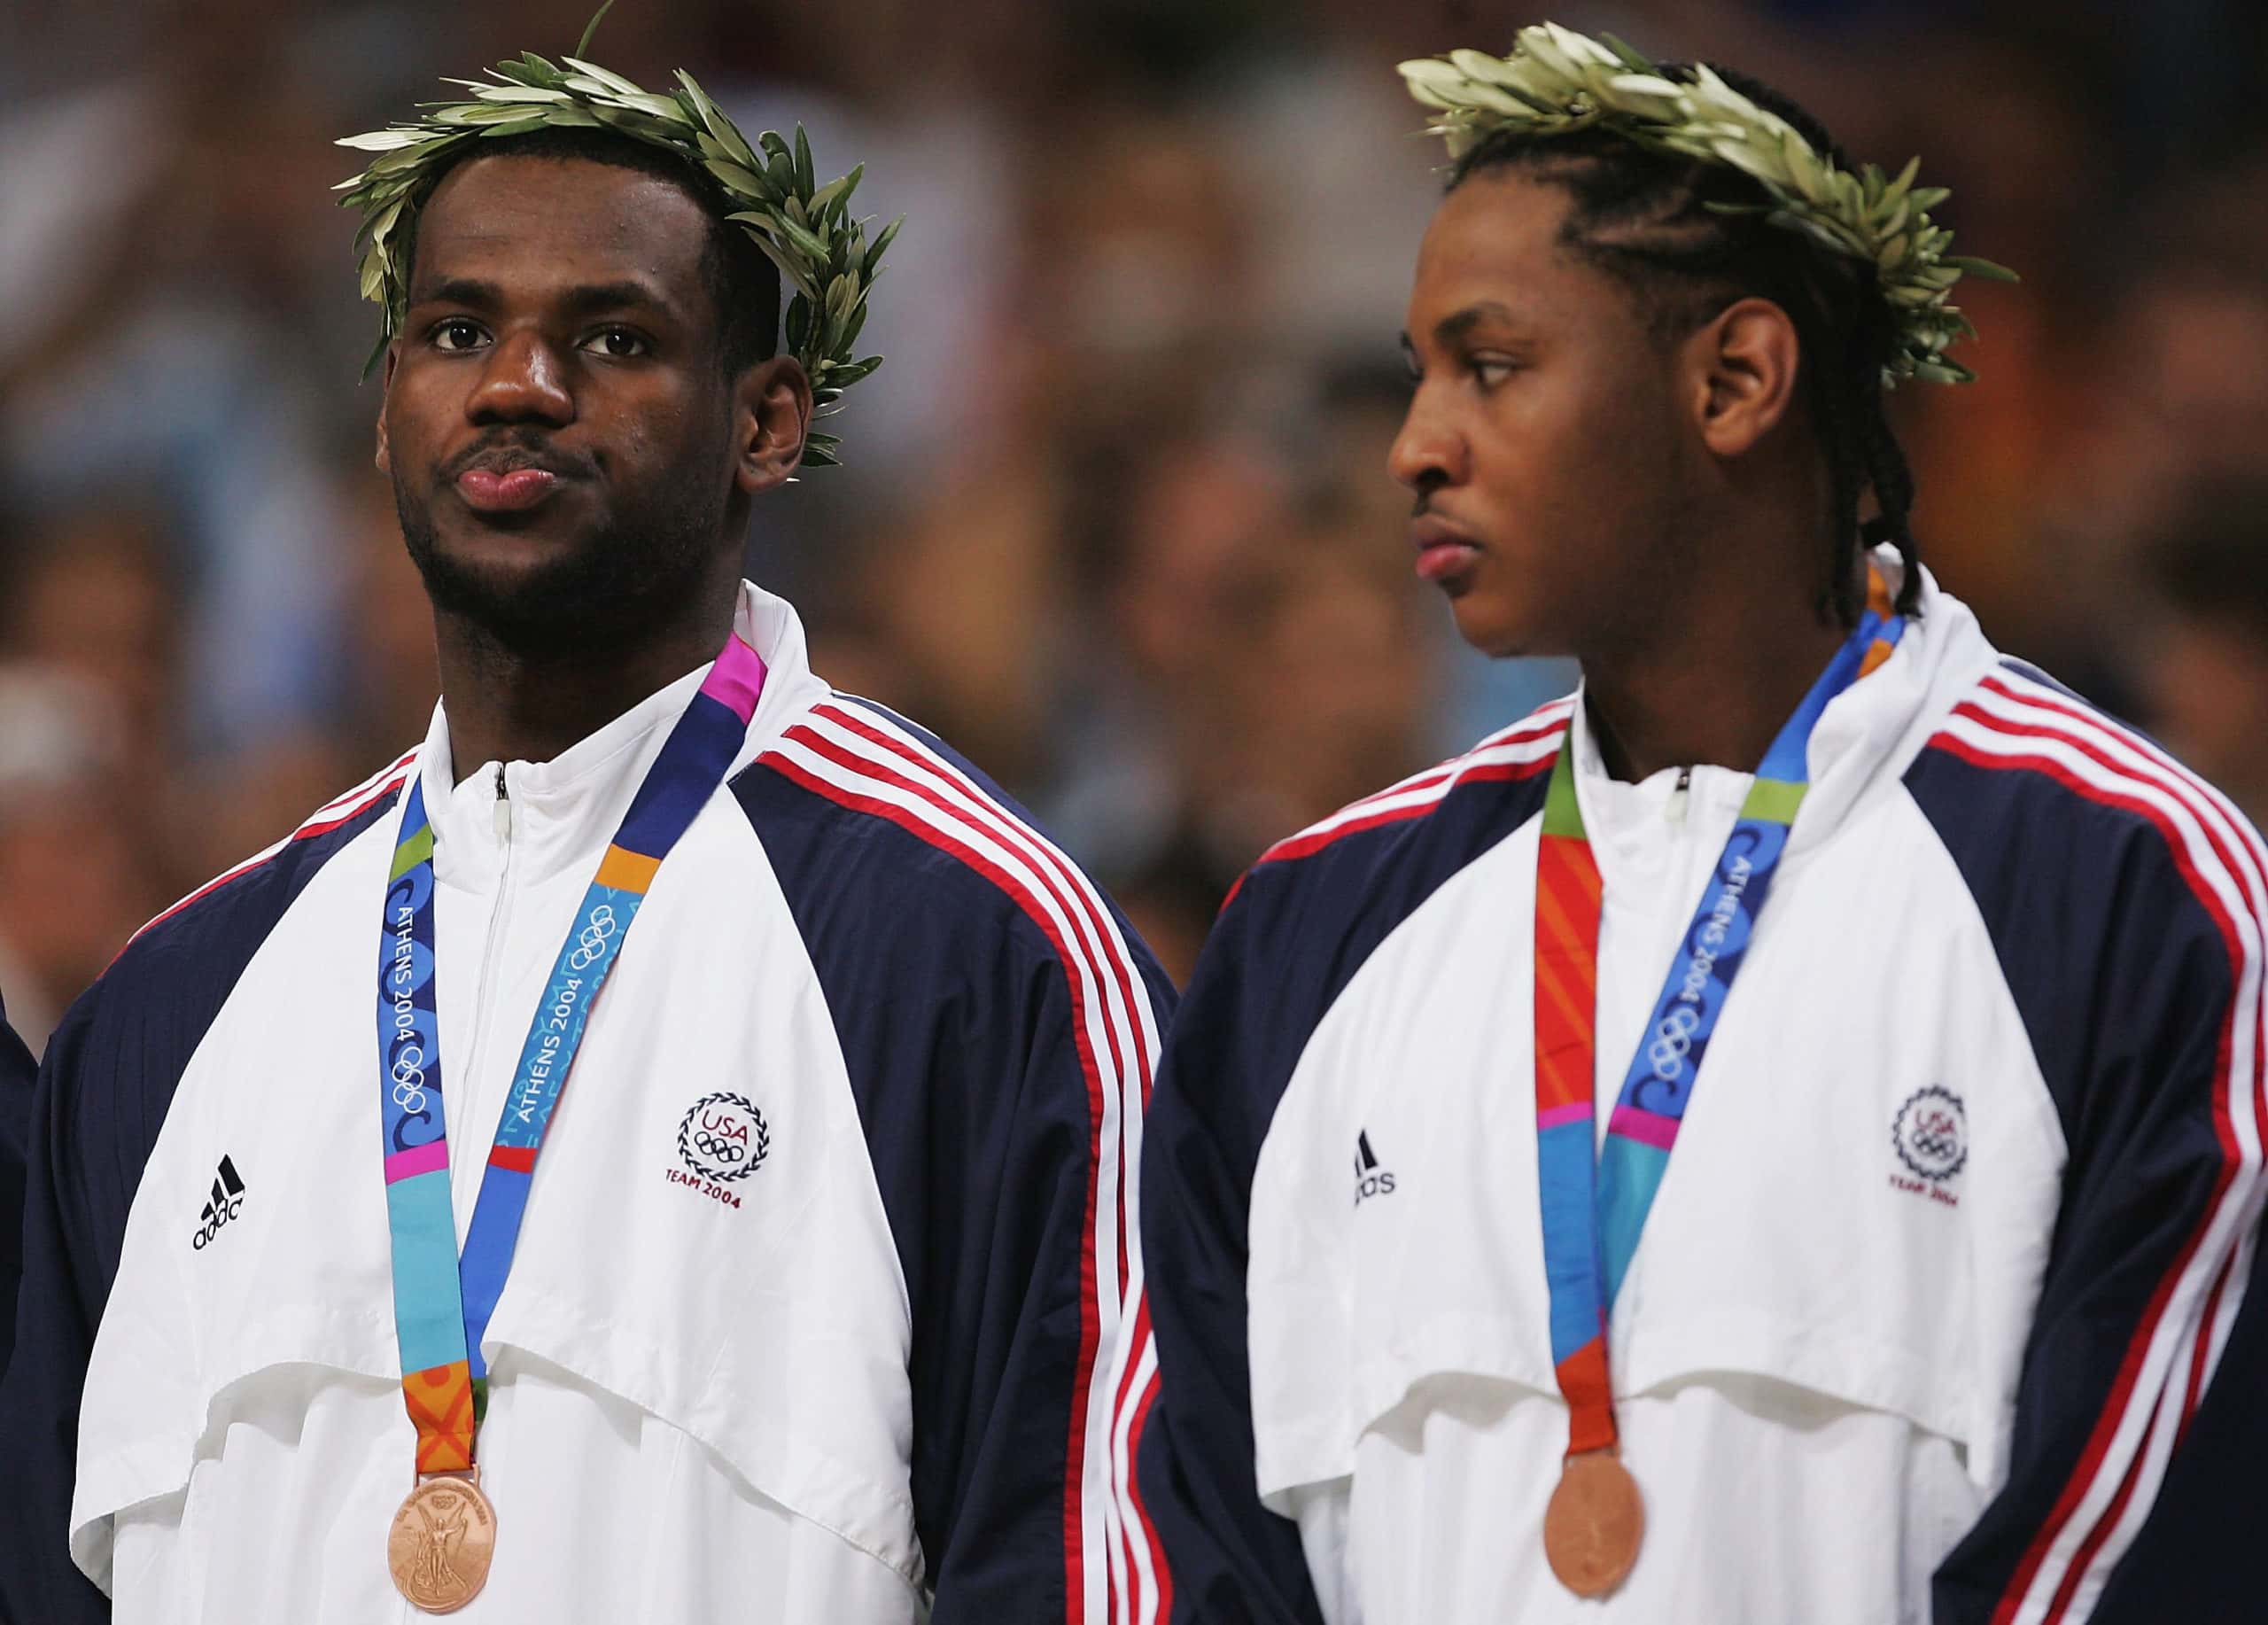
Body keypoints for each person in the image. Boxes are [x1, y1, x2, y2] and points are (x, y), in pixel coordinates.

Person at [2, 35, 1170, 1625]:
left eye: (612, 337)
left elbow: (1095, 1565)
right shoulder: (170, 1009)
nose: (516, 385)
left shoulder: (979, 950)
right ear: (384, 407)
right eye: (456, 329)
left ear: (768, 420)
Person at [1137, 24, 2265, 1624]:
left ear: (1734, 379)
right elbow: (1206, 1540)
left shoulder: (2126, 890)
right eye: (1419, 376)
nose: (1416, 446)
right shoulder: (1314, 933)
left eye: (1494, 364)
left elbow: (2169, 1550)